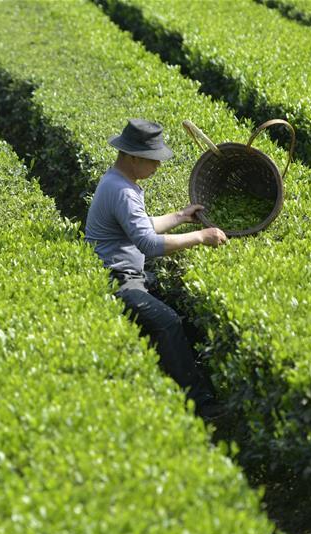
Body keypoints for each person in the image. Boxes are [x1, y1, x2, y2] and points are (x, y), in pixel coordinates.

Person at [85, 118, 228, 415]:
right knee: (168, 321)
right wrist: (201, 236)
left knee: (184, 319)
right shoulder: (123, 191)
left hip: (130, 274)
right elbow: (148, 244)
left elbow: (139, 226)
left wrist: (180, 216)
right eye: (154, 160)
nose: (158, 166)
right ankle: (201, 405)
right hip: (119, 279)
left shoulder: (117, 182)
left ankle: (199, 388)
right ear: (134, 157)